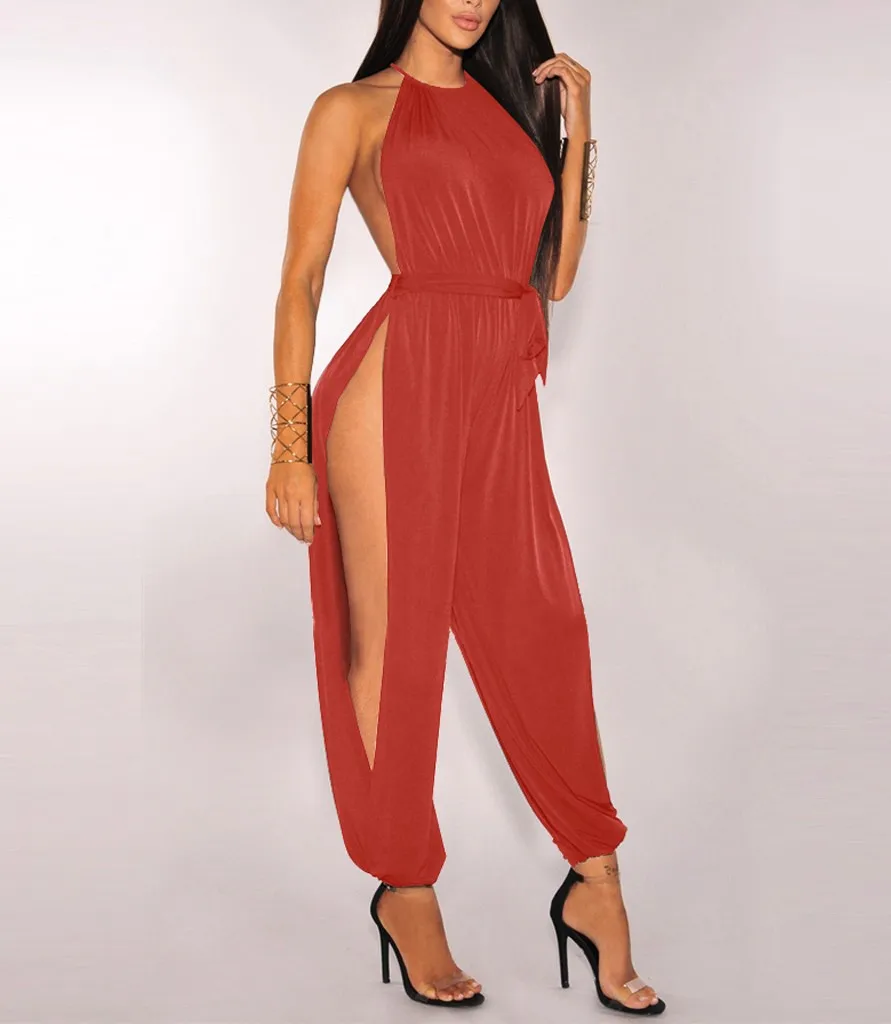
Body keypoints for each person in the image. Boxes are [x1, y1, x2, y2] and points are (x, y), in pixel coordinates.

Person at [265, 0, 663, 1014]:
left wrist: (577, 134)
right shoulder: (351, 109)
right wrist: (289, 448)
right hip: (394, 388)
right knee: (395, 651)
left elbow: (552, 279)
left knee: (544, 625)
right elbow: (301, 281)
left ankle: (595, 879)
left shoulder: (509, 110)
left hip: (496, 394)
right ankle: (404, 886)